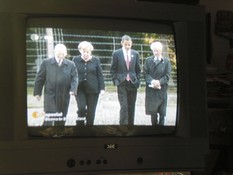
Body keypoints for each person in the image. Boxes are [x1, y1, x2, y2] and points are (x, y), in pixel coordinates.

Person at [34, 43, 79, 126]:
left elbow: (74, 78)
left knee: (62, 117)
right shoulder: (46, 63)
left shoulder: (71, 64)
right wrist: (37, 92)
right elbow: (40, 78)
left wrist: (73, 89)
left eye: (63, 54)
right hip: (50, 95)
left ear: (66, 53)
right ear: (55, 52)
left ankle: (59, 134)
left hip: (64, 95)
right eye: (59, 53)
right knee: (50, 116)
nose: (61, 56)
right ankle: (45, 133)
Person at [110, 35, 141, 125]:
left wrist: (137, 79)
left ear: (131, 44)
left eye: (129, 44)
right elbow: (113, 69)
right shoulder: (116, 53)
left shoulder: (135, 54)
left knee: (131, 106)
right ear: (122, 43)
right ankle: (123, 126)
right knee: (124, 106)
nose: (127, 46)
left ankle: (131, 126)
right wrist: (115, 80)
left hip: (132, 83)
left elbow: (138, 69)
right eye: (125, 44)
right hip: (122, 83)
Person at [72, 41, 105, 125]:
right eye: (84, 52)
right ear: (80, 51)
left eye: (88, 52)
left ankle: (89, 129)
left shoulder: (96, 60)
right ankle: (79, 127)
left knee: (91, 112)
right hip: (79, 89)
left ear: (91, 51)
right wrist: (72, 88)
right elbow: (72, 75)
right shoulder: (75, 59)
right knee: (81, 108)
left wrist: (102, 88)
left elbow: (100, 75)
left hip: (93, 89)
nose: (86, 54)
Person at [143, 41, 171, 125]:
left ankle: (161, 129)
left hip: (161, 90)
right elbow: (145, 73)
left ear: (161, 51)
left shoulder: (166, 62)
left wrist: (159, 82)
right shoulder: (148, 60)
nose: (155, 52)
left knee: (162, 112)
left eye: (157, 50)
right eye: (154, 50)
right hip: (151, 91)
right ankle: (154, 128)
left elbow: (167, 75)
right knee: (153, 112)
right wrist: (152, 81)